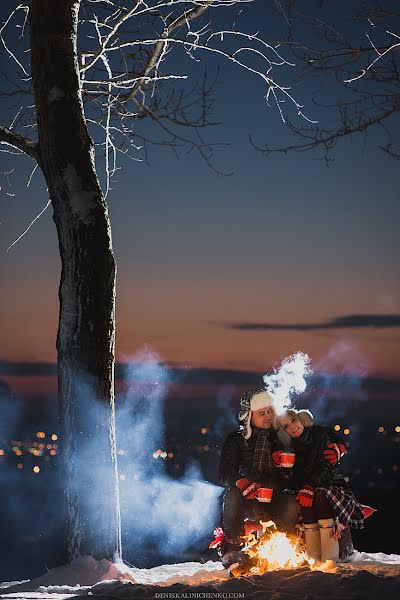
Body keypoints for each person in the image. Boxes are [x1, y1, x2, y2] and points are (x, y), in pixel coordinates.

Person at [216, 389, 300, 568]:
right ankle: (233, 549)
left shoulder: (280, 438)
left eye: (270, 411)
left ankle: (280, 543)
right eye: (262, 413)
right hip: (248, 497)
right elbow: (225, 472)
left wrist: (283, 469)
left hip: (274, 497)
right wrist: (241, 482)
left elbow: (292, 476)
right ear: (248, 416)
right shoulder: (236, 440)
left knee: (292, 501)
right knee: (231, 495)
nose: (268, 416)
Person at [277, 409, 365, 562]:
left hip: (332, 485)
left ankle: (330, 554)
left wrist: (310, 486)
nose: (292, 427)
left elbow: (327, 467)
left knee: (318, 495)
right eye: (285, 426)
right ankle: (314, 555)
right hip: (307, 488)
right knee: (304, 499)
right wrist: (284, 470)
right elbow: (293, 480)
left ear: (302, 419)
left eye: (293, 421)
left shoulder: (320, 435)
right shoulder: (288, 448)